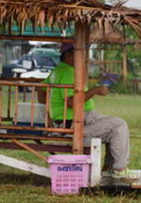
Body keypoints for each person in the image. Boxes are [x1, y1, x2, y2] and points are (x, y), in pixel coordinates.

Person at [43, 43, 133, 179]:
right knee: (118, 125)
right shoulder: (67, 72)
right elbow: (72, 102)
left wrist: (46, 115)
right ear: (68, 55)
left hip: (74, 120)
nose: (82, 58)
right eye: (79, 54)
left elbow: (40, 90)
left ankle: (109, 168)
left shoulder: (58, 70)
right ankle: (119, 169)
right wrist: (96, 90)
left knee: (113, 125)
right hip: (74, 125)